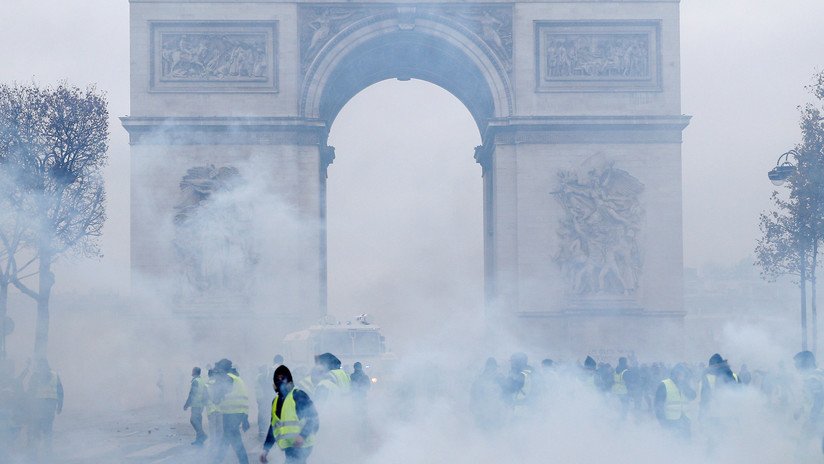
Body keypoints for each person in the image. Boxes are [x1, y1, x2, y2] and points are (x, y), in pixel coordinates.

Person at [260, 365, 319, 464]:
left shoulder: (298, 395)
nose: (281, 384)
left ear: (290, 381)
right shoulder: (275, 402)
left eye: (283, 379)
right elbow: (273, 428)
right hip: (289, 446)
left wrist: (302, 436)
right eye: (278, 380)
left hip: (303, 445)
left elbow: (314, 419)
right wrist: (266, 449)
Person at [210, 359, 251, 464]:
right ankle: (218, 460)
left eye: (218, 368)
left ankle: (219, 460)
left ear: (222, 369)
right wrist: (245, 418)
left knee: (234, 440)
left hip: (232, 413)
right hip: (237, 413)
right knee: (228, 438)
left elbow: (217, 397)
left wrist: (215, 387)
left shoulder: (227, 378)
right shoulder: (236, 378)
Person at [26, 359, 63, 456]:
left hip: (39, 406)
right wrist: (60, 405)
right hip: (49, 406)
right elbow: (60, 391)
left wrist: (28, 405)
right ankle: (47, 451)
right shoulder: (55, 375)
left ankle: (35, 452)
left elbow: (30, 391)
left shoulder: (36, 376)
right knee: (47, 429)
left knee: (37, 428)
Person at [793, 350, 824, 453]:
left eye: (798, 364)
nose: (797, 368)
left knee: (800, 450)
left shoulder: (813, 378)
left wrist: (812, 421)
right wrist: (800, 410)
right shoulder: (820, 373)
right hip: (818, 420)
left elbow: (818, 401)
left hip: (818, 420)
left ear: (808, 362)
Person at [654, 363, 696, 439]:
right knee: (673, 445)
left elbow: (693, 396)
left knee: (686, 444)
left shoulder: (685, 385)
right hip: (671, 421)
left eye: (683, 374)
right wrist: (662, 421)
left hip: (685, 420)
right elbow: (658, 405)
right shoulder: (664, 384)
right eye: (679, 373)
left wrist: (685, 386)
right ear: (674, 373)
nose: (681, 376)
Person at [183, 366, 208, 445]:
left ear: (194, 372)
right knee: (198, 421)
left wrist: (187, 404)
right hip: (201, 404)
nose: (191, 372)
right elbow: (205, 393)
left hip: (196, 404)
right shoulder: (202, 380)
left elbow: (192, 394)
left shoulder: (195, 381)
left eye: (192, 370)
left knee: (193, 420)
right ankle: (199, 440)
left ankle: (202, 435)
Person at [256, 365, 275, 439]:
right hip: (263, 399)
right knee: (263, 415)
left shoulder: (262, 377)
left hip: (263, 399)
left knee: (264, 415)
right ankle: (263, 432)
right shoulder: (261, 377)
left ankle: (263, 432)